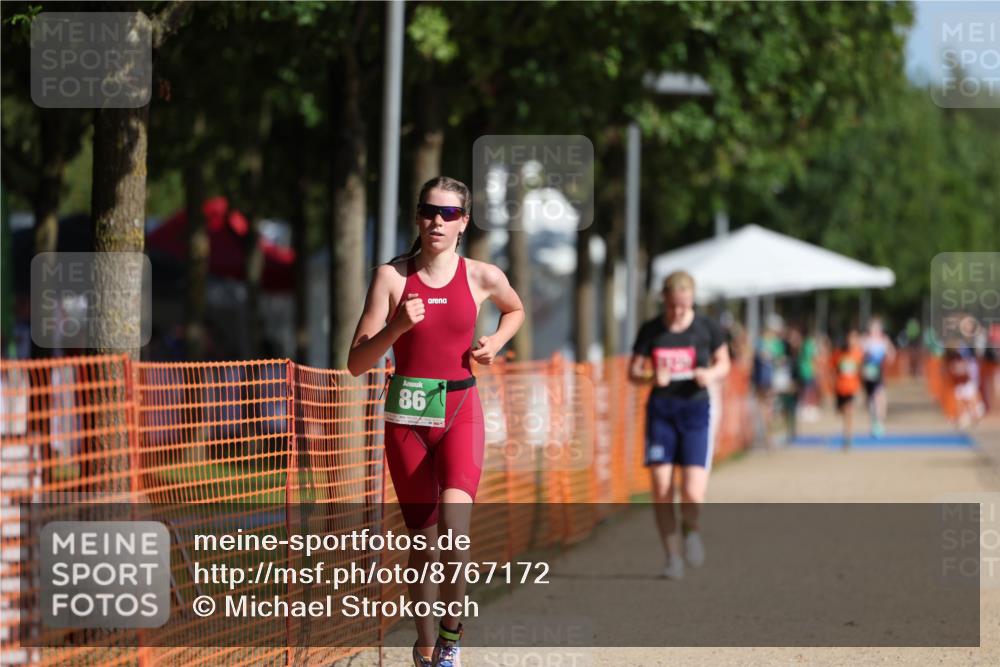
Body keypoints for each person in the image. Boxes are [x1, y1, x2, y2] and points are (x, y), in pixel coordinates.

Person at [347, 176, 525, 667]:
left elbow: (515, 309)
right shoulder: (390, 277)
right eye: (429, 211)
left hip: (459, 413)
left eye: (448, 214)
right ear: (418, 217)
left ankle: (451, 636)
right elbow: (357, 362)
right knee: (422, 543)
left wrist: (495, 341)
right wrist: (398, 325)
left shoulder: (481, 276)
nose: (437, 222)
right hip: (406, 418)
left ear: (464, 222)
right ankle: (425, 647)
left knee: (454, 531)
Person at [629, 271, 730, 580]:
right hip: (661, 412)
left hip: (695, 411)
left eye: (683, 307)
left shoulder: (708, 328)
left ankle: (691, 529)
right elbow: (632, 372)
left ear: (692, 302)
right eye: (672, 306)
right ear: (665, 301)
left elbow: (724, 363)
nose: (677, 313)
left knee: (692, 492)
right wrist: (650, 377)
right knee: (661, 488)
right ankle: (672, 557)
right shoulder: (651, 330)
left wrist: (709, 375)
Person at [861, 317, 896, 438]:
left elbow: (892, 353)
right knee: (871, 399)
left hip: (879, 372)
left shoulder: (884, 340)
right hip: (868, 372)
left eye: (877, 327)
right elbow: (860, 354)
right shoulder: (866, 340)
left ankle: (880, 422)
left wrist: (887, 359)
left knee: (880, 396)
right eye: (873, 327)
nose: (875, 329)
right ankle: (874, 423)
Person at [831, 330, 864, 450]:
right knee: (841, 412)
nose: (851, 341)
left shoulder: (858, 355)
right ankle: (846, 434)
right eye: (849, 338)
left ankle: (848, 438)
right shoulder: (838, 354)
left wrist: (860, 389)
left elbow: (860, 372)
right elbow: (833, 369)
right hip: (840, 388)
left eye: (854, 339)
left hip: (852, 388)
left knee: (849, 412)